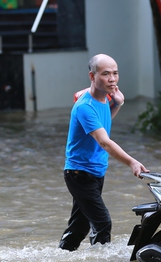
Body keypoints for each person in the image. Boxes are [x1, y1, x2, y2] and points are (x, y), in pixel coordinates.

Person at [59, 54, 149, 251]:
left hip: (95, 172)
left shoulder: (105, 98)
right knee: (102, 223)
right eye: (105, 74)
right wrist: (132, 162)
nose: (112, 79)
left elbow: (103, 123)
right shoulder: (85, 106)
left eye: (115, 73)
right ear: (92, 76)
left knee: (79, 227)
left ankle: (61, 257)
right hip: (79, 173)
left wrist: (117, 104)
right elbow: (104, 142)